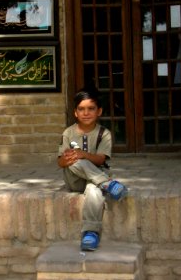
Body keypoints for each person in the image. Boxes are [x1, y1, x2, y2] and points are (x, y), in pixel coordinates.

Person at [57, 88, 128, 251]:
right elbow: (60, 162)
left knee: (94, 190)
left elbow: (101, 159)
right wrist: (67, 159)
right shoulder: (68, 133)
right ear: (75, 112)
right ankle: (107, 184)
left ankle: (90, 233)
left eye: (91, 109)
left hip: (94, 179)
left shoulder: (104, 133)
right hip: (74, 179)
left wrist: (83, 154)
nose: (86, 113)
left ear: (99, 111)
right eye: (81, 109)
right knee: (74, 161)